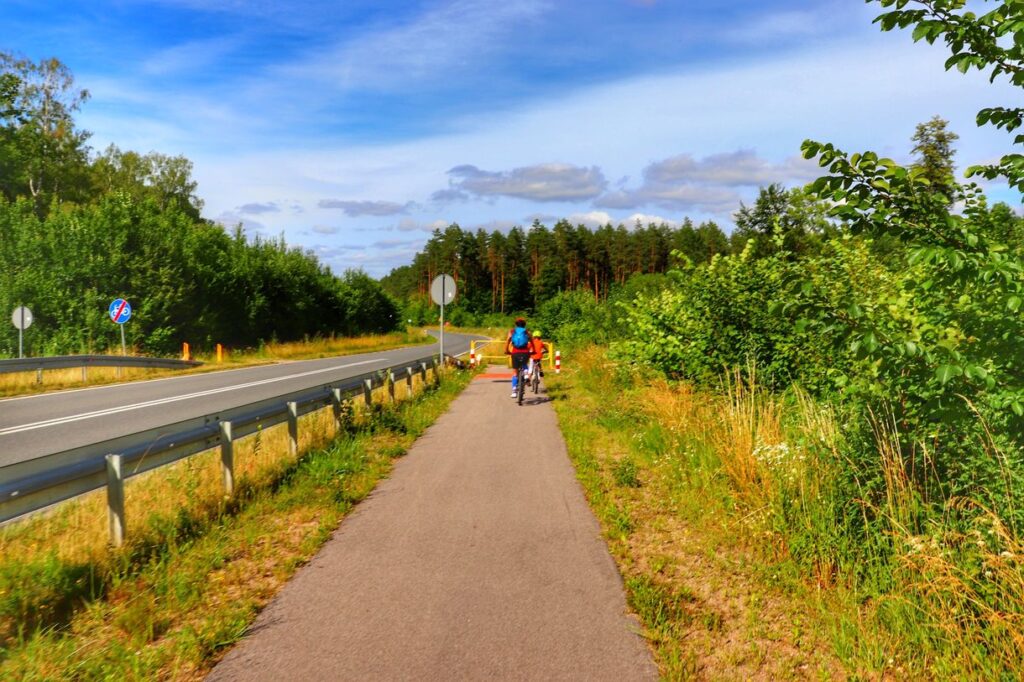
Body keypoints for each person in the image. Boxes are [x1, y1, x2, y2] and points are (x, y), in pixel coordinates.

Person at [505, 317, 533, 398]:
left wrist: (506, 350)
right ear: (525, 325)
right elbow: (532, 342)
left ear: (516, 325)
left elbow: (508, 341)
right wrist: (533, 350)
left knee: (515, 372)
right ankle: (526, 373)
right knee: (524, 363)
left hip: (515, 353)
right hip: (525, 352)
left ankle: (514, 391)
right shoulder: (527, 332)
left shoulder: (512, 331)